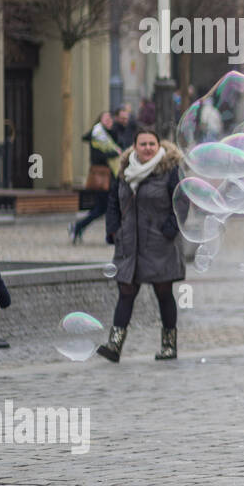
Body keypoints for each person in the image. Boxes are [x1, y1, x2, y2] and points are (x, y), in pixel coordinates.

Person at [96, 128, 186, 362]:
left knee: (163, 293)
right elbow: (113, 202)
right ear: (134, 147)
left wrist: (170, 229)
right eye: (143, 144)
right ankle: (114, 346)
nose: (147, 148)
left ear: (159, 146)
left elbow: (182, 203)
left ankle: (169, 346)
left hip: (160, 243)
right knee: (126, 292)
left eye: (152, 144)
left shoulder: (170, 171)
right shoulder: (125, 171)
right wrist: (113, 230)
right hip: (129, 244)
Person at [70, 112, 122, 244]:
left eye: (110, 118)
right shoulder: (97, 136)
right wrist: (114, 152)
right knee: (103, 209)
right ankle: (79, 227)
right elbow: (98, 157)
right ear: (100, 121)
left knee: (102, 209)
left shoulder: (111, 135)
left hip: (111, 177)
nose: (109, 120)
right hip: (102, 178)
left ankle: (78, 227)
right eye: (106, 118)